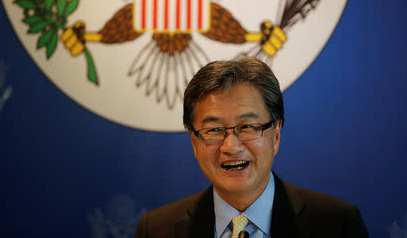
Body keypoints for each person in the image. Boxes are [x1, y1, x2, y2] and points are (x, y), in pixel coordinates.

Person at [135, 57, 368, 238]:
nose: (231, 146)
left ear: (275, 135)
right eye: (214, 130)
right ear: (194, 141)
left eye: (247, 126)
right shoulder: (155, 229)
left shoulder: (338, 225)